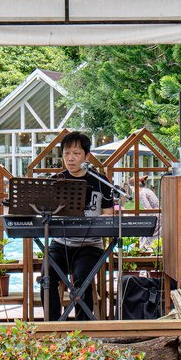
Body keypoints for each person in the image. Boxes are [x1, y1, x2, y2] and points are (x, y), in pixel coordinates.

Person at [46, 131, 114, 321]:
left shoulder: (100, 182)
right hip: (60, 244)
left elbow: (108, 214)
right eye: (67, 153)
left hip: (90, 246)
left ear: (87, 156)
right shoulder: (55, 182)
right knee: (47, 276)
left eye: (76, 153)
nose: (70, 158)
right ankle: (52, 328)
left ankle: (84, 331)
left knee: (81, 280)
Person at [131, 174, 162, 249]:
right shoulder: (147, 190)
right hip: (159, 216)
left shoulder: (141, 193)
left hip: (155, 218)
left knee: (148, 241)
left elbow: (148, 209)